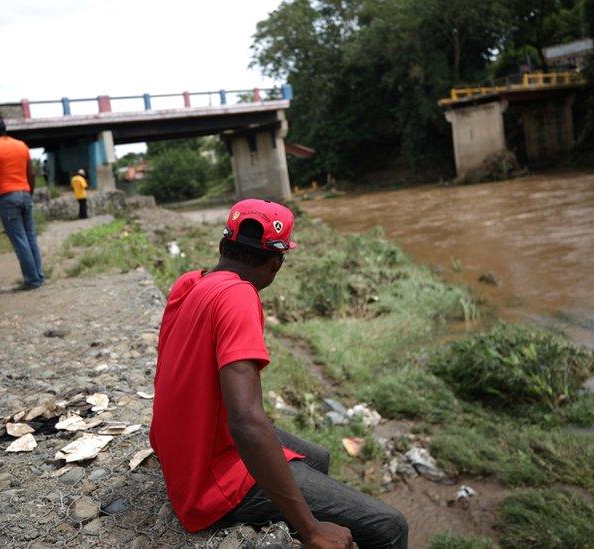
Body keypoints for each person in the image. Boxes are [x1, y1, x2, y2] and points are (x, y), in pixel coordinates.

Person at [149, 200, 408, 549]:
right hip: (209, 481)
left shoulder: (190, 283)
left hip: (186, 445)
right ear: (276, 262)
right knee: (390, 525)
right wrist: (312, 529)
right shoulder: (238, 295)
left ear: (224, 245)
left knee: (318, 457)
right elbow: (245, 420)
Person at [0, 114, 44, 290]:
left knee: (19, 240)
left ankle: (32, 281)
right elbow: (31, 173)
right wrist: (28, 193)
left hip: (7, 197)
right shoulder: (21, 145)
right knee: (31, 238)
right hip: (25, 193)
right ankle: (38, 276)